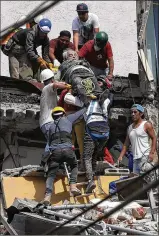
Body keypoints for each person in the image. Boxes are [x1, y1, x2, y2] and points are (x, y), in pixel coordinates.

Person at [42, 106, 86, 205]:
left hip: (55, 153)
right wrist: (87, 105)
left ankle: (47, 196)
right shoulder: (68, 119)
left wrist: (43, 160)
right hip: (68, 150)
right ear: (63, 114)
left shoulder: (50, 127)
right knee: (74, 165)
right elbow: (79, 113)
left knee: (51, 174)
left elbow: (48, 145)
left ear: (53, 116)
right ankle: (73, 186)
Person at [118, 104, 157, 176]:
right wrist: (121, 156)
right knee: (137, 180)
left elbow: (154, 138)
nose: (132, 114)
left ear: (141, 114)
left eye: (135, 112)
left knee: (146, 180)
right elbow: (126, 143)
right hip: (135, 158)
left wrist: (152, 153)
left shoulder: (146, 124)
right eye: (131, 112)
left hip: (145, 156)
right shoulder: (130, 127)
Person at [39, 69, 71, 144]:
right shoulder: (47, 88)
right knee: (56, 144)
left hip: (46, 123)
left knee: (53, 144)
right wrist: (69, 86)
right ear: (52, 79)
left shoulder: (49, 94)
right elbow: (56, 85)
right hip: (48, 122)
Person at [58, 88, 85, 169]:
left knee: (78, 141)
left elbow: (60, 105)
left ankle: (80, 161)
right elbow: (60, 104)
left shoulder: (67, 92)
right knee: (77, 141)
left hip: (72, 118)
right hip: (73, 118)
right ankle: (74, 161)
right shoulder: (67, 92)